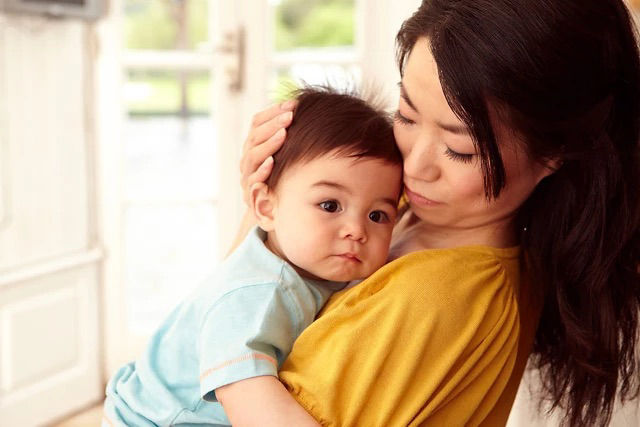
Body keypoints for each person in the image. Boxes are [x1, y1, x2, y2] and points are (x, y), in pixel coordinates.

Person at [238, 1, 640, 426]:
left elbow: (222, 349)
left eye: (460, 150)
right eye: (407, 115)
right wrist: (271, 200)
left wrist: (233, 367)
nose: (414, 166)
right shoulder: (407, 206)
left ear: (553, 152)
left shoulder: (435, 299)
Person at [102, 87, 403, 426]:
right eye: (330, 205)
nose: (356, 230)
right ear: (265, 207)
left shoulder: (318, 266)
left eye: (378, 215)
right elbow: (253, 405)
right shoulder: (254, 294)